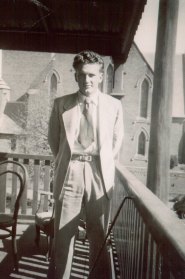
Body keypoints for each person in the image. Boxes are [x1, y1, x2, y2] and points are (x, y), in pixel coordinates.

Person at [47, 50, 124, 279]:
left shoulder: (113, 106)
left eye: (92, 75)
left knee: (98, 232)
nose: (87, 80)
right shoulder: (62, 104)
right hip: (70, 169)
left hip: (98, 172)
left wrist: (102, 162)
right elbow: (54, 140)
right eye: (82, 75)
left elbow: (116, 141)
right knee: (63, 233)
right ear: (76, 76)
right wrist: (69, 162)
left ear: (101, 76)